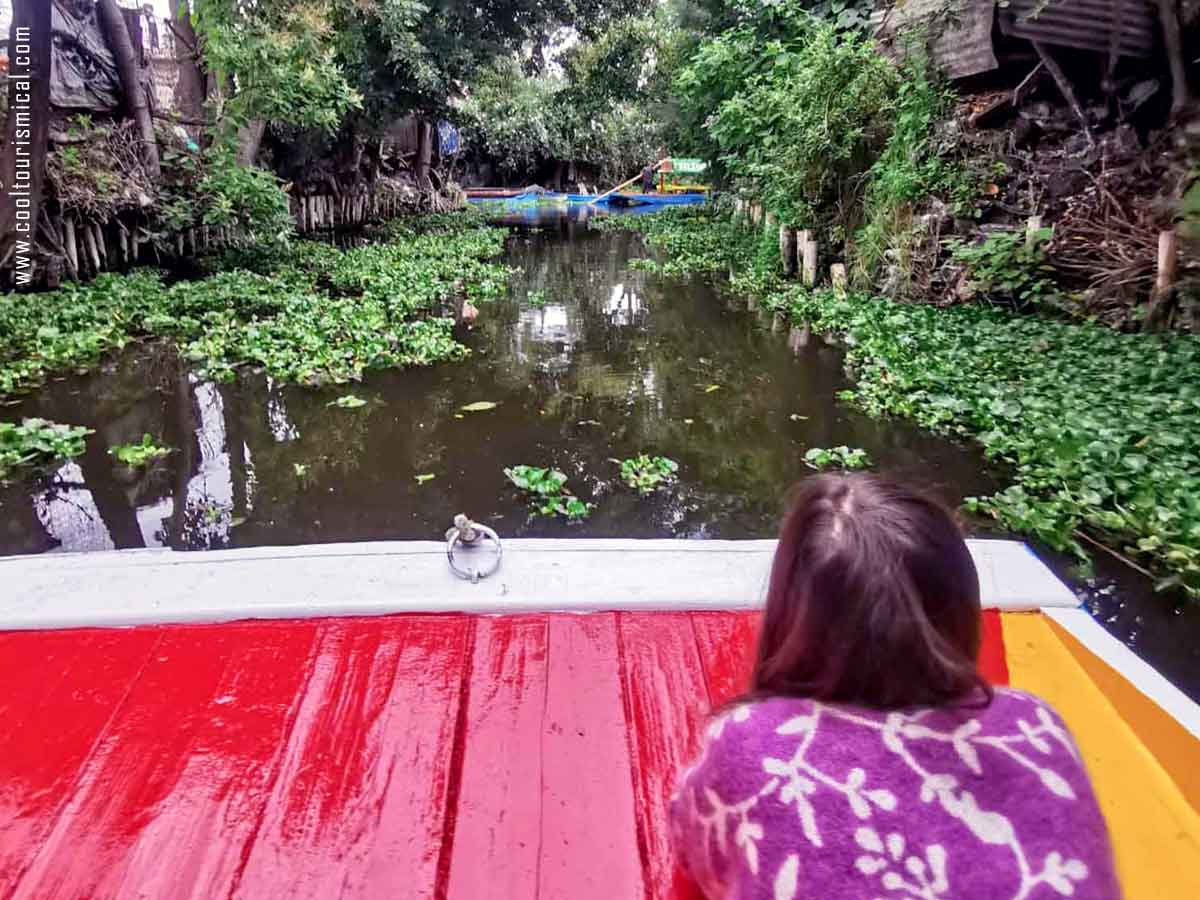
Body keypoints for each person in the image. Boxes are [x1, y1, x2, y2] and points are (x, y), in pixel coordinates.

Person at [669, 474, 1120, 900]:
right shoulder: (1035, 726)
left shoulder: (753, 741)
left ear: (791, 615)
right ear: (959, 608)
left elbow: (691, 853)